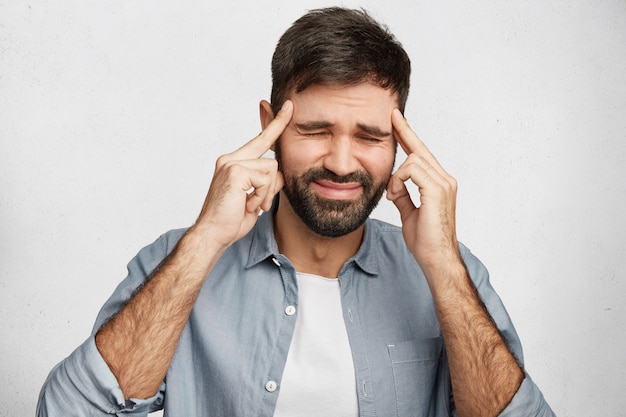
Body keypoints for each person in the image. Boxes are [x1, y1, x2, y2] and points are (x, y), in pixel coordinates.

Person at [37, 7, 555, 417]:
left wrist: (442, 268)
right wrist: (203, 242)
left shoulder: (452, 273)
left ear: (400, 142)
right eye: (315, 130)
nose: (342, 162)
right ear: (271, 124)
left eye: (371, 137)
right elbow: (67, 410)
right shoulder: (179, 259)